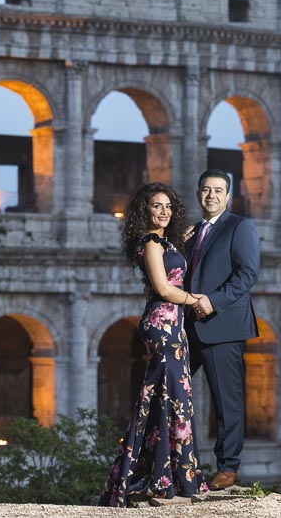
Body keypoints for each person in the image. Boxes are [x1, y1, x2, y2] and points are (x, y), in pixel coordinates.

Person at [99, 182, 208, 507]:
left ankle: (169, 476)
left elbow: (182, 246)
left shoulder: (163, 242)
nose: (164, 211)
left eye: (168, 206)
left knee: (172, 396)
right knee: (167, 396)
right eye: (156, 206)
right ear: (144, 210)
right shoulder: (150, 243)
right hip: (162, 323)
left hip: (173, 325)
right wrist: (195, 300)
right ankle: (163, 479)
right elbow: (163, 287)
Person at [184, 169, 260, 490]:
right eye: (206, 189)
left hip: (222, 325)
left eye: (218, 190)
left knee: (226, 403)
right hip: (188, 327)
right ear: (199, 194)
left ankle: (228, 467)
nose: (211, 195)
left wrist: (213, 302)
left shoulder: (241, 227)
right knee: (173, 393)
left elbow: (247, 273)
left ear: (228, 196)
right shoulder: (192, 232)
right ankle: (181, 463)